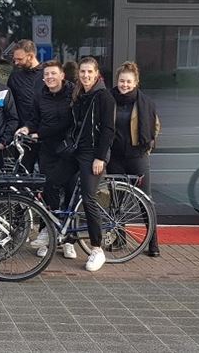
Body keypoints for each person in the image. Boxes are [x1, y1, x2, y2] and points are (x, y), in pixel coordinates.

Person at [16, 60, 76, 259]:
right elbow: (34, 119)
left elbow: (68, 122)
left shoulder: (73, 93)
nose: (49, 77)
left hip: (68, 150)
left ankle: (68, 241)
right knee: (48, 190)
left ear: (62, 76)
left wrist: (39, 133)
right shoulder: (39, 95)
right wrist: (27, 128)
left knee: (69, 194)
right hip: (47, 150)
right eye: (46, 74)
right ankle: (49, 235)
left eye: (53, 74)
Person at [108, 61, 161, 257]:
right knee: (116, 201)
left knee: (145, 200)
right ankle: (120, 238)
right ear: (117, 81)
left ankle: (153, 243)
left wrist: (148, 146)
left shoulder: (145, 102)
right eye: (122, 81)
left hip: (137, 156)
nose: (125, 85)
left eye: (129, 82)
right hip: (115, 157)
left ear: (136, 82)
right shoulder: (109, 99)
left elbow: (155, 126)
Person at [70, 56, 116, 272]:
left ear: (96, 74)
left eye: (89, 72)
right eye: (82, 72)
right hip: (77, 151)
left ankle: (97, 249)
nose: (86, 75)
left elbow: (108, 130)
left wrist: (100, 157)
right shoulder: (80, 95)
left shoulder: (104, 97)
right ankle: (65, 238)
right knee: (57, 182)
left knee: (88, 197)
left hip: (93, 154)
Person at [7, 39, 43, 170]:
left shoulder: (47, 75)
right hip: (23, 135)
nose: (16, 62)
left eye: (20, 59)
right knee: (22, 175)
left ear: (31, 56)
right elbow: (10, 107)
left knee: (46, 177)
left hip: (45, 134)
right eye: (14, 59)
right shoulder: (14, 77)